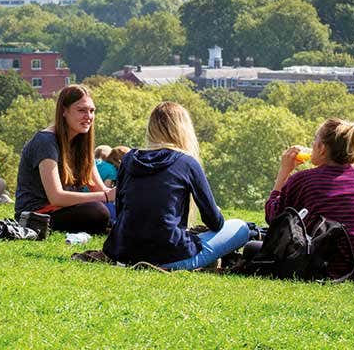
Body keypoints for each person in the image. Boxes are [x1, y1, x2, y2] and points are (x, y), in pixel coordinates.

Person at [104, 102, 256, 270]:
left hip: (124, 253)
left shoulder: (129, 159)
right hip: (171, 256)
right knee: (240, 228)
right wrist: (217, 213)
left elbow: (120, 209)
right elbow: (214, 223)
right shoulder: (187, 162)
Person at [267, 118, 354, 282]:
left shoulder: (302, 180)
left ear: (322, 148)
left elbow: (273, 217)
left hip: (317, 267)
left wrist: (284, 171)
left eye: (314, 141)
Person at [14, 84, 114, 234]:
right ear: (64, 111)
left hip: (66, 210)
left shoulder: (82, 143)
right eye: (81, 110)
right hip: (38, 214)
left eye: (92, 111)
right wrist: (106, 196)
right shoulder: (46, 141)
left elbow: (100, 189)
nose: (88, 116)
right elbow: (56, 197)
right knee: (97, 211)